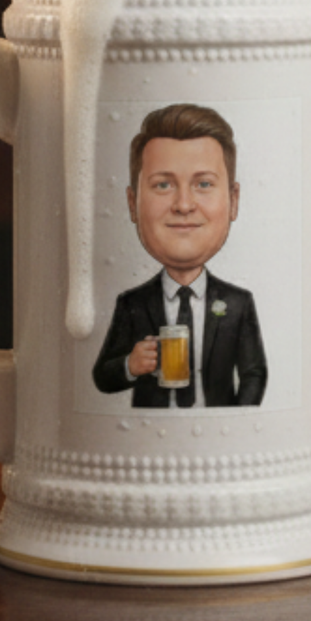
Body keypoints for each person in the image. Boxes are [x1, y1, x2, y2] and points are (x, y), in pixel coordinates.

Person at [92, 103, 267, 408]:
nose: (184, 205)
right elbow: (102, 377)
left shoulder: (238, 304)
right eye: (163, 185)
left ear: (233, 200)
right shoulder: (132, 304)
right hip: (144, 444)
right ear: (133, 204)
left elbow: (254, 373)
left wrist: (237, 422)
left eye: (203, 184)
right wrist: (130, 366)